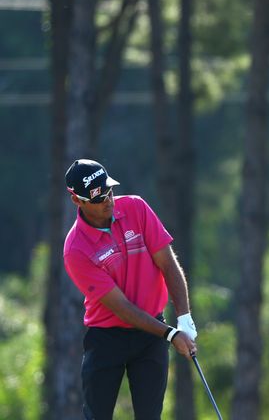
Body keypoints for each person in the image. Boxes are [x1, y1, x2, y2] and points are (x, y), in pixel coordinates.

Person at [62, 158, 198, 419]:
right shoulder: (76, 249)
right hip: (106, 339)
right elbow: (122, 309)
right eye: (98, 198)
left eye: (109, 191)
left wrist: (184, 318)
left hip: (151, 336)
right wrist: (171, 335)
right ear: (77, 201)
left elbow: (168, 265)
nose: (108, 201)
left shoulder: (136, 208)